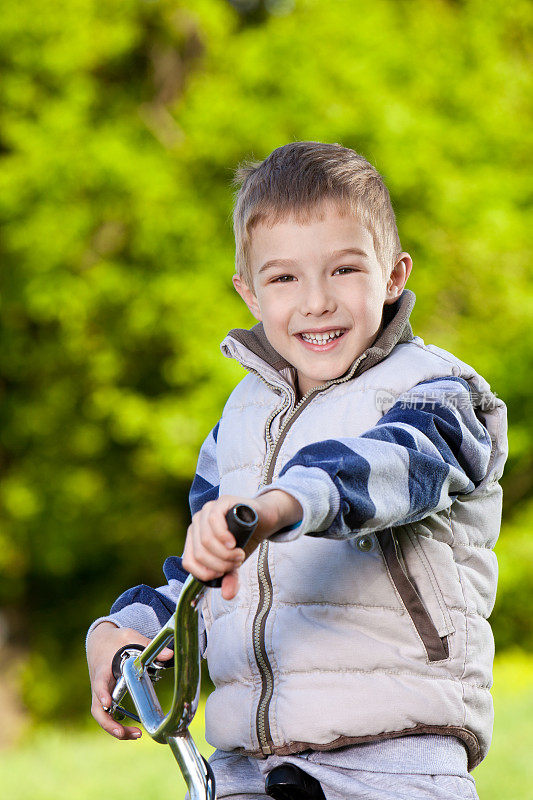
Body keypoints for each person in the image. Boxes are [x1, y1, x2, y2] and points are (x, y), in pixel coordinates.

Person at [86, 142, 507, 800]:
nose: (315, 302)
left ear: (392, 276)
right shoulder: (239, 420)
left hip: (390, 759)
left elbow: (384, 470)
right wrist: (125, 631)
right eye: (283, 279)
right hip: (247, 768)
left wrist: (277, 506)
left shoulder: (439, 394)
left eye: (342, 270)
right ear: (249, 293)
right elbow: (208, 575)